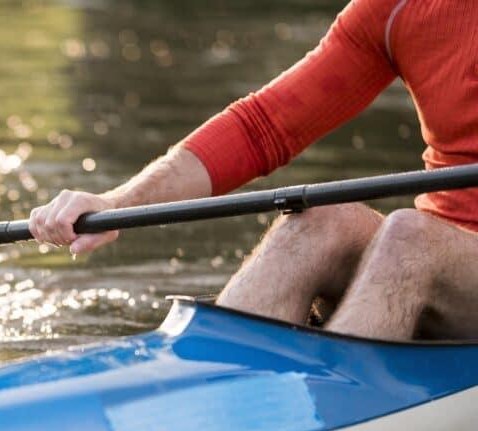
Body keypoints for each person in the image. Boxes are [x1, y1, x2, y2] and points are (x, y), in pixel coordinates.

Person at [28, 0, 478, 341]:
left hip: (427, 251)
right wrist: (114, 203)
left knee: (410, 238)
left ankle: (325, 427)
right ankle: (211, 389)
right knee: (319, 218)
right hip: (447, 258)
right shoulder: (397, 9)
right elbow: (260, 129)